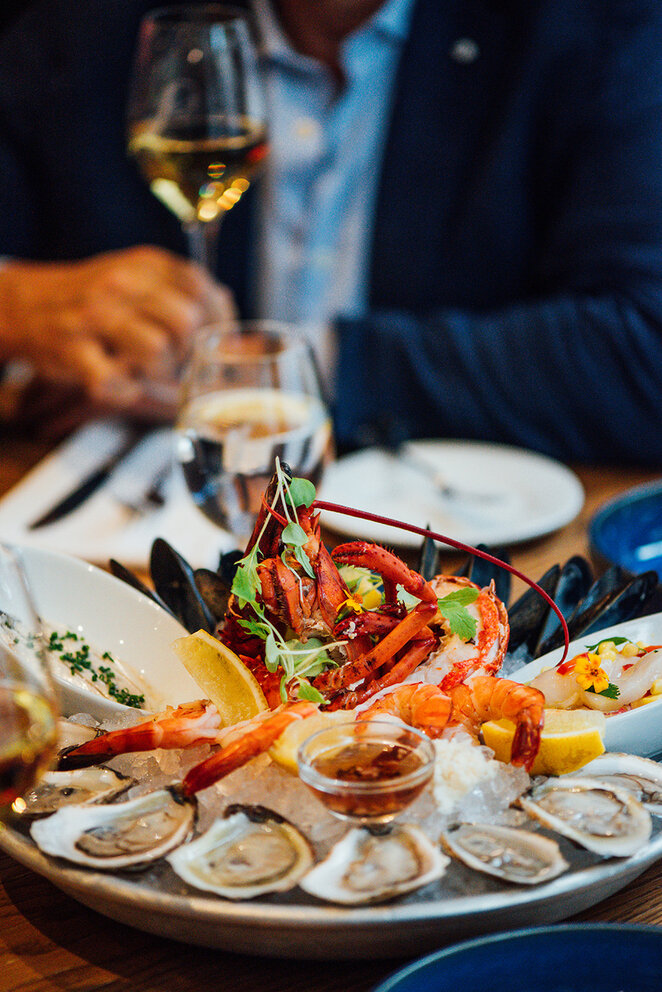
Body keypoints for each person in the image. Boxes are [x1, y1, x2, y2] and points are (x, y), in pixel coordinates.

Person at [1, 0, 662, 464]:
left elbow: (642, 358)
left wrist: (277, 371)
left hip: (457, 548)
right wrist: (15, 304)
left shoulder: (597, 27)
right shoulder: (80, 24)